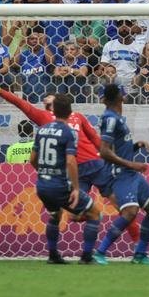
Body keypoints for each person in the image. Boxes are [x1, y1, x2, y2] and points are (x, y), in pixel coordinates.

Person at [92, 83, 149, 265]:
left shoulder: (117, 118)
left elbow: (118, 148)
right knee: (130, 212)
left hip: (131, 173)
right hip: (120, 174)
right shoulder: (110, 119)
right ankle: (100, 252)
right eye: (123, 92)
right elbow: (105, 151)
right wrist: (131, 163)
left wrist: (136, 146)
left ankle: (140, 254)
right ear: (119, 97)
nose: (125, 94)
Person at [30, 93, 104, 264]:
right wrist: (76, 189)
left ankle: (53, 255)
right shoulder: (68, 132)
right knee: (94, 214)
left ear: (53, 111)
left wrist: (43, 173)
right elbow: (71, 161)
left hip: (42, 185)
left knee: (55, 215)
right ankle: (86, 256)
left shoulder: (42, 130)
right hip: (60, 185)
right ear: (70, 111)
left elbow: (32, 159)